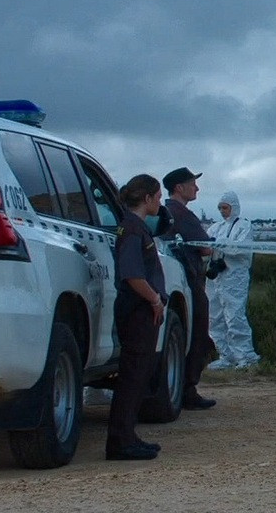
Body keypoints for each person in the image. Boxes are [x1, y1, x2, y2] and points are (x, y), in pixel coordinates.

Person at [106, 174, 167, 461]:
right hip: (138, 311)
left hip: (140, 311)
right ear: (147, 198)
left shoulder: (134, 228)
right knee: (132, 376)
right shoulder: (132, 230)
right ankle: (120, 441)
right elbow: (132, 274)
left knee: (138, 375)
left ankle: (128, 436)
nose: (160, 202)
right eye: (157, 196)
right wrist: (154, 298)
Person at [161, 167, 217, 410]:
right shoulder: (180, 213)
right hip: (189, 279)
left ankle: (179, 386)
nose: (197, 188)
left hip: (175, 279)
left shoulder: (166, 212)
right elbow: (205, 248)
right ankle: (188, 388)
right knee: (197, 331)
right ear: (179, 188)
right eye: (192, 183)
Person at [206, 191, 261, 370]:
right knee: (214, 317)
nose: (222, 211)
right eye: (220, 208)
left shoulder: (244, 226)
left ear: (234, 207)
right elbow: (206, 245)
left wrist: (219, 243)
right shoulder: (215, 227)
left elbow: (239, 248)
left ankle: (245, 356)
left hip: (235, 278)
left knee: (234, 316)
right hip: (217, 278)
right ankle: (225, 355)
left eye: (225, 208)